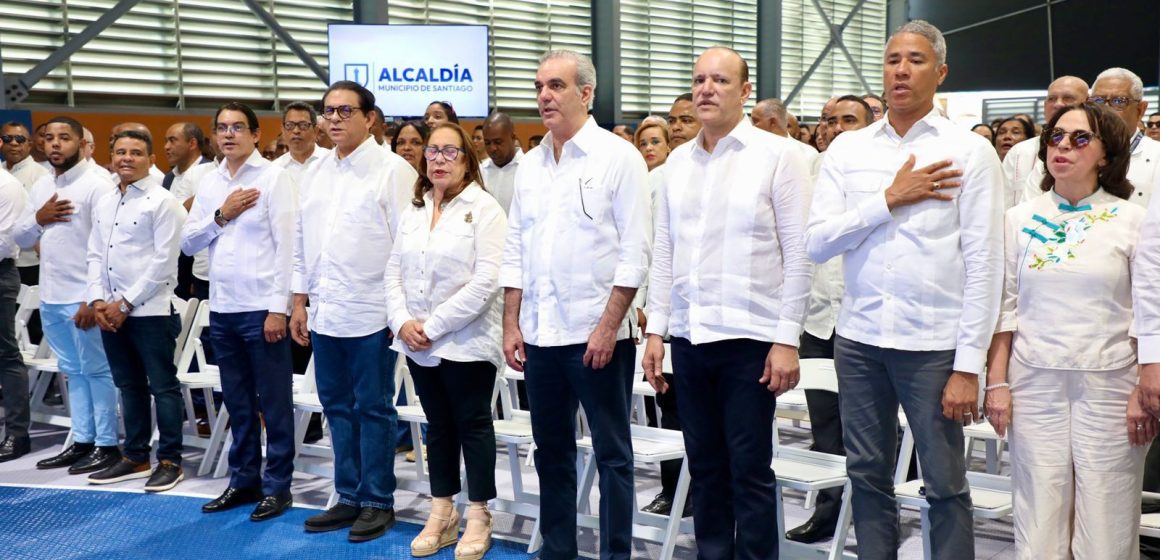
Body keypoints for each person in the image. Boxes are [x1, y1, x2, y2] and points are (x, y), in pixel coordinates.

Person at [804, 20, 1004, 559]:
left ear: (940, 72)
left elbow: (986, 264)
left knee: (944, 483)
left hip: (934, 344)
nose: (901, 70)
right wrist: (888, 199)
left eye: (915, 60)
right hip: (859, 339)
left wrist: (969, 366)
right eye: (893, 59)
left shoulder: (970, 152)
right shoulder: (848, 150)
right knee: (865, 472)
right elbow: (817, 242)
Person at [642, 47, 809, 560]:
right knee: (705, 467)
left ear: (745, 90)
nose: (706, 89)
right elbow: (665, 252)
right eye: (699, 80)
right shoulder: (677, 164)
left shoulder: (778, 155)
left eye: (719, 80)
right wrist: (656, 330)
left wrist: (787, 339)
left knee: (750, 470)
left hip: (752, 339)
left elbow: (798, 253)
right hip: (691, 337)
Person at [500, 49, 650, 560]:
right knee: (552, 453)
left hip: (596, 336)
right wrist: (511, 324)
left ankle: (615, 555)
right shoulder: (531, 165)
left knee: (612, 456)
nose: (544, 96)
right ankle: (557, 550)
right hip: (541, 334)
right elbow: (516, 250)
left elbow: (635, 253)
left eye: (556, 86)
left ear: (586, 93)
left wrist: (608, 327)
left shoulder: (618, 158)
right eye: (539, 86)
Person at [987, 102, 1152, 559]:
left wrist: (1144, 386)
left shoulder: (1134, 221)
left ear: (1106, 154)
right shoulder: (1018, 219)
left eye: (1080, 139)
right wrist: (996, 383)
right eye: (1055, 137)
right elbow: (1004, 308)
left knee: (1108, 516)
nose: (1063, 146)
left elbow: (1149, 312)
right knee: (1038, 513)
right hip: (1033, 381)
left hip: (1113, 384)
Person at [291, 80, 418, 542]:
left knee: (374, 409)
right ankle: (347, 495)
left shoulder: (392, 170)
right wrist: (298, 301)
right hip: (325, 311)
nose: (335, 119)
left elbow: (406, 247)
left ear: (370, 118)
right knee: (336, 407)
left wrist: (399, 312)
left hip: (372, 313)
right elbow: (302, 242)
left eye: (346, 111)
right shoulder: (317, 170)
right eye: (329, 111)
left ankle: (378, 501)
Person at [386, 122, 505, 560]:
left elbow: (486, 281)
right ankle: (442, 512)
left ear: (467, 161)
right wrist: (402, 321)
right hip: (418, 342)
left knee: (472, 425)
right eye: (432, 151)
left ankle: (479, 514)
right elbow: (393, 272)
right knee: (437, 426)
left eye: (449, 152)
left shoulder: (486, 209)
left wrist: (431, 326)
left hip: (467, 339)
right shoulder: (414, 210)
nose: (438, 159)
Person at [182, 102, 297, 522]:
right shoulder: (210, 182)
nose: (229, 135)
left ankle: (278, 485)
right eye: (222, 128)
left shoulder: (273, 177)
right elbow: (188, 242)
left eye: (237, 128)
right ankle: (244, 479)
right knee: (237, 401)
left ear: (255, 134)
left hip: (262, 308)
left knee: (275, 402)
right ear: (214, 135)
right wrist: (221, 216)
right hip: (223, 308)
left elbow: (288, 248)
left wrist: (279, 310)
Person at [785, 93, 873, 545]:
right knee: (825, 429)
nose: (835, 127)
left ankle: (875, 516)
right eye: (828, 120)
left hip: (867, 320)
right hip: (818, 318)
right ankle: (828, 514)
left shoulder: (883, 171)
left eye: (848, 120)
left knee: (872, 432)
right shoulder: (811, 170)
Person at [85, 129, 187, 492]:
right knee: (128, 385)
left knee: (163, 387)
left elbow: (164, 263)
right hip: (111, 310)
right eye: (120, 152)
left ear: (151, 159)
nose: (127, 158)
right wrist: (98, 301)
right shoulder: (105, 200)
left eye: (136, 152)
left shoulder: (163, 202)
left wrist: (125, 303)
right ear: (111, 157)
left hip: (151, 311)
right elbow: (96, 254)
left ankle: (171, 461)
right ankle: (136, 456)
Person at [17, 116, 121, 474]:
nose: (55, 144)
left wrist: (93, 298)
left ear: (82, 143)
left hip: (84, 297)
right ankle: (82, 440)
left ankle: (107, 445)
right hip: (50, 293)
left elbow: (107, 248)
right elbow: (21, 237)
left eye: (64, 137)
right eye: (49, 138)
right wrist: (40, 218)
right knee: (72, 372)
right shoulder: (42, 184)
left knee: (97, 371)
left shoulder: (98, 184)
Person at [1001, 76, 1089, 209]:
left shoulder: (1093, 150)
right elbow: (1004, 203)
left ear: (1088, 103)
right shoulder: (1019, 152)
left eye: (1068, 98)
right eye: (1051, 99)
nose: (1058, 104)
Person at [0, 136, 30, 463]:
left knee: (5, 355)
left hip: (0, 273)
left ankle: (18, 434)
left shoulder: (7, 186)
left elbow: (5, 241)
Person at [273, 101, 330, 185]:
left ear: (315, 131)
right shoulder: (274, 169)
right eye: (289, 125)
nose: (296, 131)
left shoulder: (332, 161)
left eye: (303, 125)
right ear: (283, 130)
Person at [480, 112, 523, 215]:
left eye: (498, 142)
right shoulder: (480, 171)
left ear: (513, 138)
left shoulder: (529, 168)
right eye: (487, 143)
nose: (492, 148)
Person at [2, 122, 50, 190]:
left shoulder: (42, 175)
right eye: (7, 138)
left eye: (20, 139)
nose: (14, 143)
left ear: (29, 145)